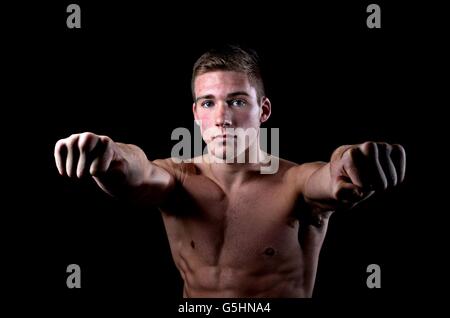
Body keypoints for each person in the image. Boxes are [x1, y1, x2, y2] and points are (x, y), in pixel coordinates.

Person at [54, 45, 406, 297]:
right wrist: (109, 153)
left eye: (237, 101)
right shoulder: (177, 180)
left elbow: (330, 176)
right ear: (195, 114)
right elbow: (135, 172)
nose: (222, 117)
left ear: (263, 110)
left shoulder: (293, 183)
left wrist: (352, 161)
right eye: (209, 103)